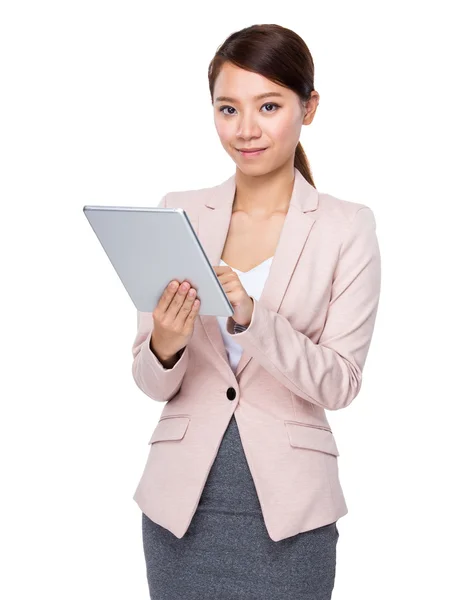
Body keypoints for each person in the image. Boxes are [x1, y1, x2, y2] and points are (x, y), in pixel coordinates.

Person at [131, 23, 381, 600]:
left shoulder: (347, 226)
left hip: (291, 512)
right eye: (227, 108)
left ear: (309, 107)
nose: (245, 129)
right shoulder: (180, 211)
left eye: (268, 105)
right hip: (180, 508)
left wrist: (250, 317)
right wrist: (166, 344)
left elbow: (341, 382)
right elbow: (148, 378)